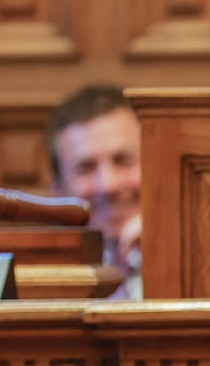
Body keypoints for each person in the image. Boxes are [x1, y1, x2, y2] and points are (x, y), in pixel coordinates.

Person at [46, 85, 143, 300]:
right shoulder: (38, 285)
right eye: (86, 168)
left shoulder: (202, 262)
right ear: (58, 189)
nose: (109, 185)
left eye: (123, 161)